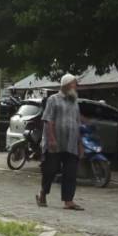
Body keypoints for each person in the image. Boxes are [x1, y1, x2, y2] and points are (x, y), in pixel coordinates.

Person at [36, 74, 84, 211]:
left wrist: (80, 144)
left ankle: (68, 201)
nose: (76, 86)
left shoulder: (74, 101)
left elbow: (77, 123)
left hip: (71, 143)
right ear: (66, 84)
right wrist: (51, 139)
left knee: (71, 172)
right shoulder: (53, 100)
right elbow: (48, 120)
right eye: (74, 84)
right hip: (55, 143)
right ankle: (43, 193)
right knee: (50, 170)